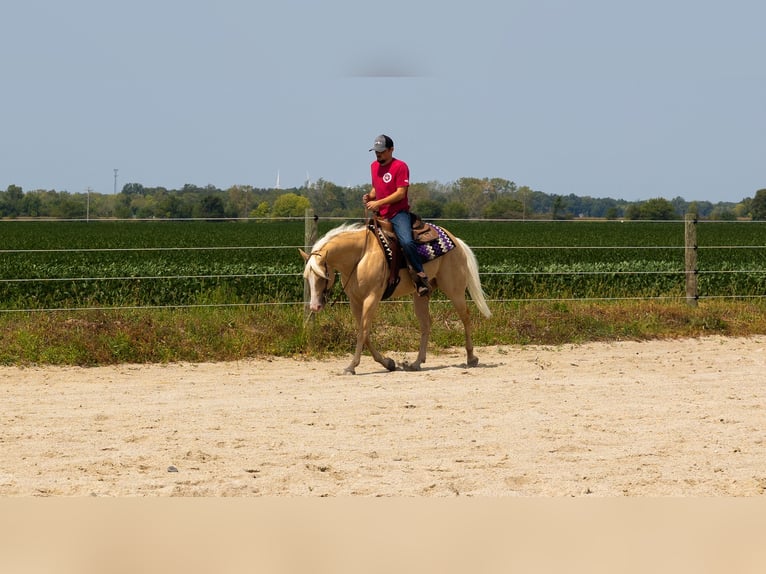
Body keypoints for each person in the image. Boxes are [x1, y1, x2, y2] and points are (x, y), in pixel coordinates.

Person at [363, 134, 430, 296]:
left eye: (382, 151)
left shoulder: (400, 167)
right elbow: (376, 188)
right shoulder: (373, 166)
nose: (378, 154)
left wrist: (378, 203)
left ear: (391, 150)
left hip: (397, 214)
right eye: (376, 151)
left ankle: (420, 276)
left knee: (406, 242)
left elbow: (401, 193)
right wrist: (370, 196)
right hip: (380, 214)